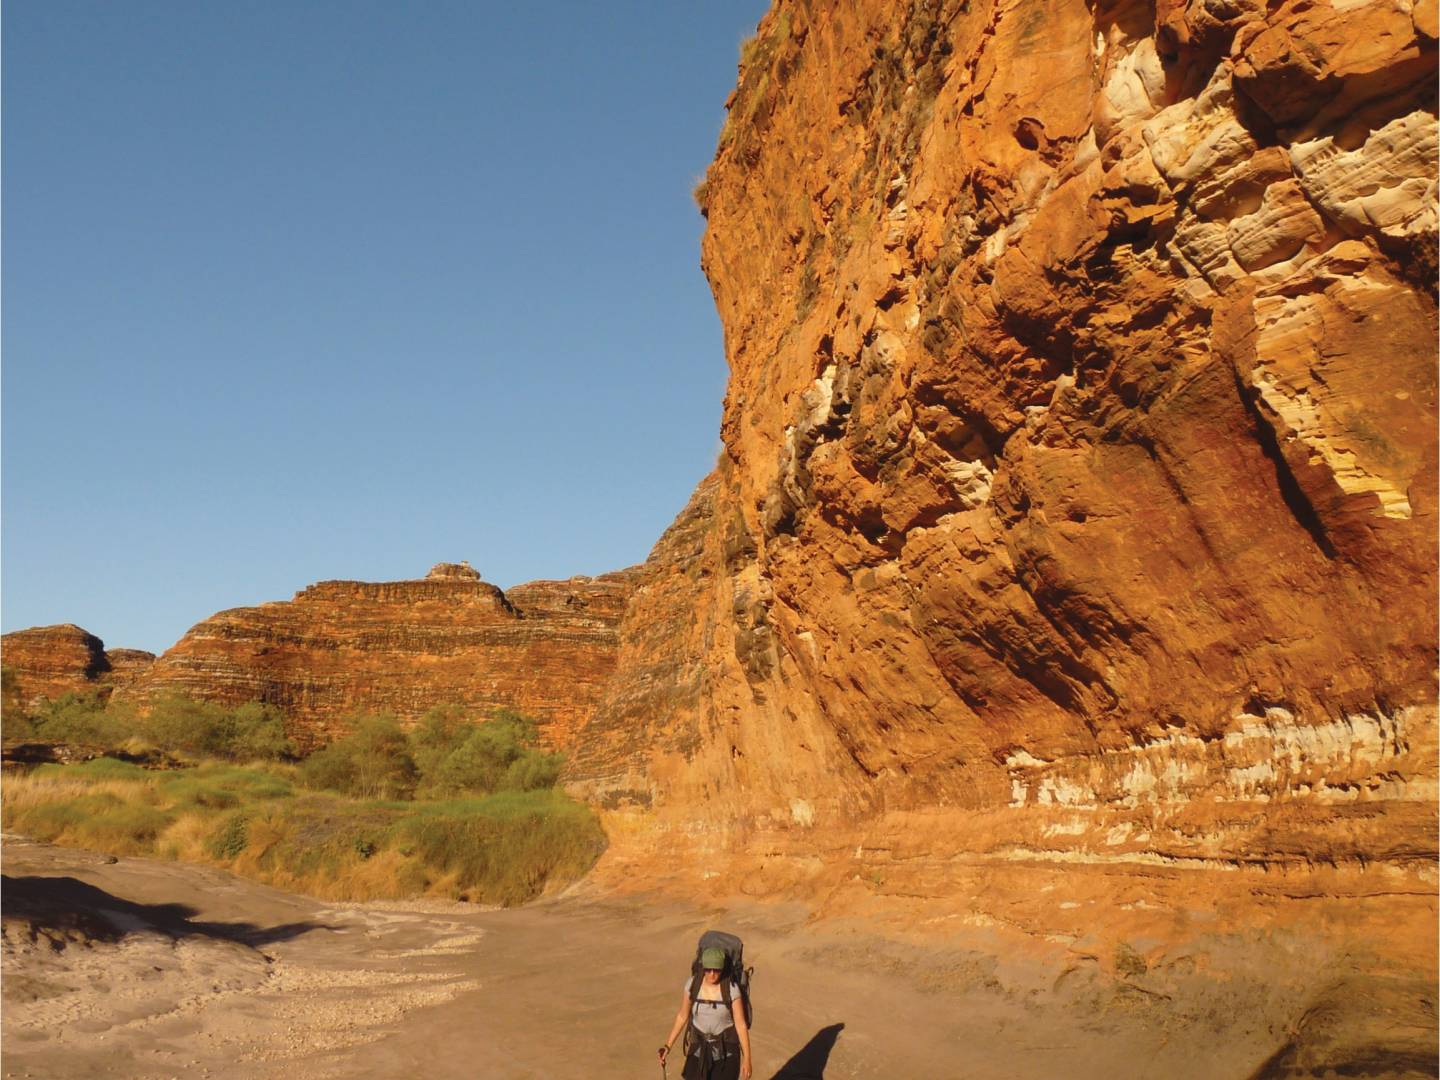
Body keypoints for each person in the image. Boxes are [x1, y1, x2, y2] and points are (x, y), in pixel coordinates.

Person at [658, 946, 752, 1080]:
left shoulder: (731, 989)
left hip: (727, 1053)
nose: (712, 974)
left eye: (716, 970)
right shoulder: (692, 985)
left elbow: (740, 1024)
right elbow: (682, 1016)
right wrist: (668, 1046)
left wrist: (747, 1059)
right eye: (708, 969)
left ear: (722, 969)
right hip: (698, 1050)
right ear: (703, 967)